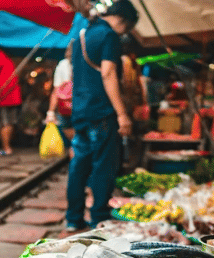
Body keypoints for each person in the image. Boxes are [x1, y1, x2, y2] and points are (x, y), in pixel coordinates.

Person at [66, 0, 138, 231]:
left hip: (80, 111)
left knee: (79, 165)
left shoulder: (82, 34)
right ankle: (98, 217)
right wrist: (122, 114)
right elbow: (108, 73)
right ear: (122, 20)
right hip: (101, 111)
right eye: (126, 29)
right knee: (103, 165)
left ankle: (73, 219)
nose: (124, 34)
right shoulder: (109, 36)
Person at [45, 41, 75, 148]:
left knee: (69, 130)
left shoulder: (63, 65)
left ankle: (75, 150)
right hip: (83, 104)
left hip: (66, 106)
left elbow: (56, 91)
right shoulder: (89, 61)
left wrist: (51, 112)